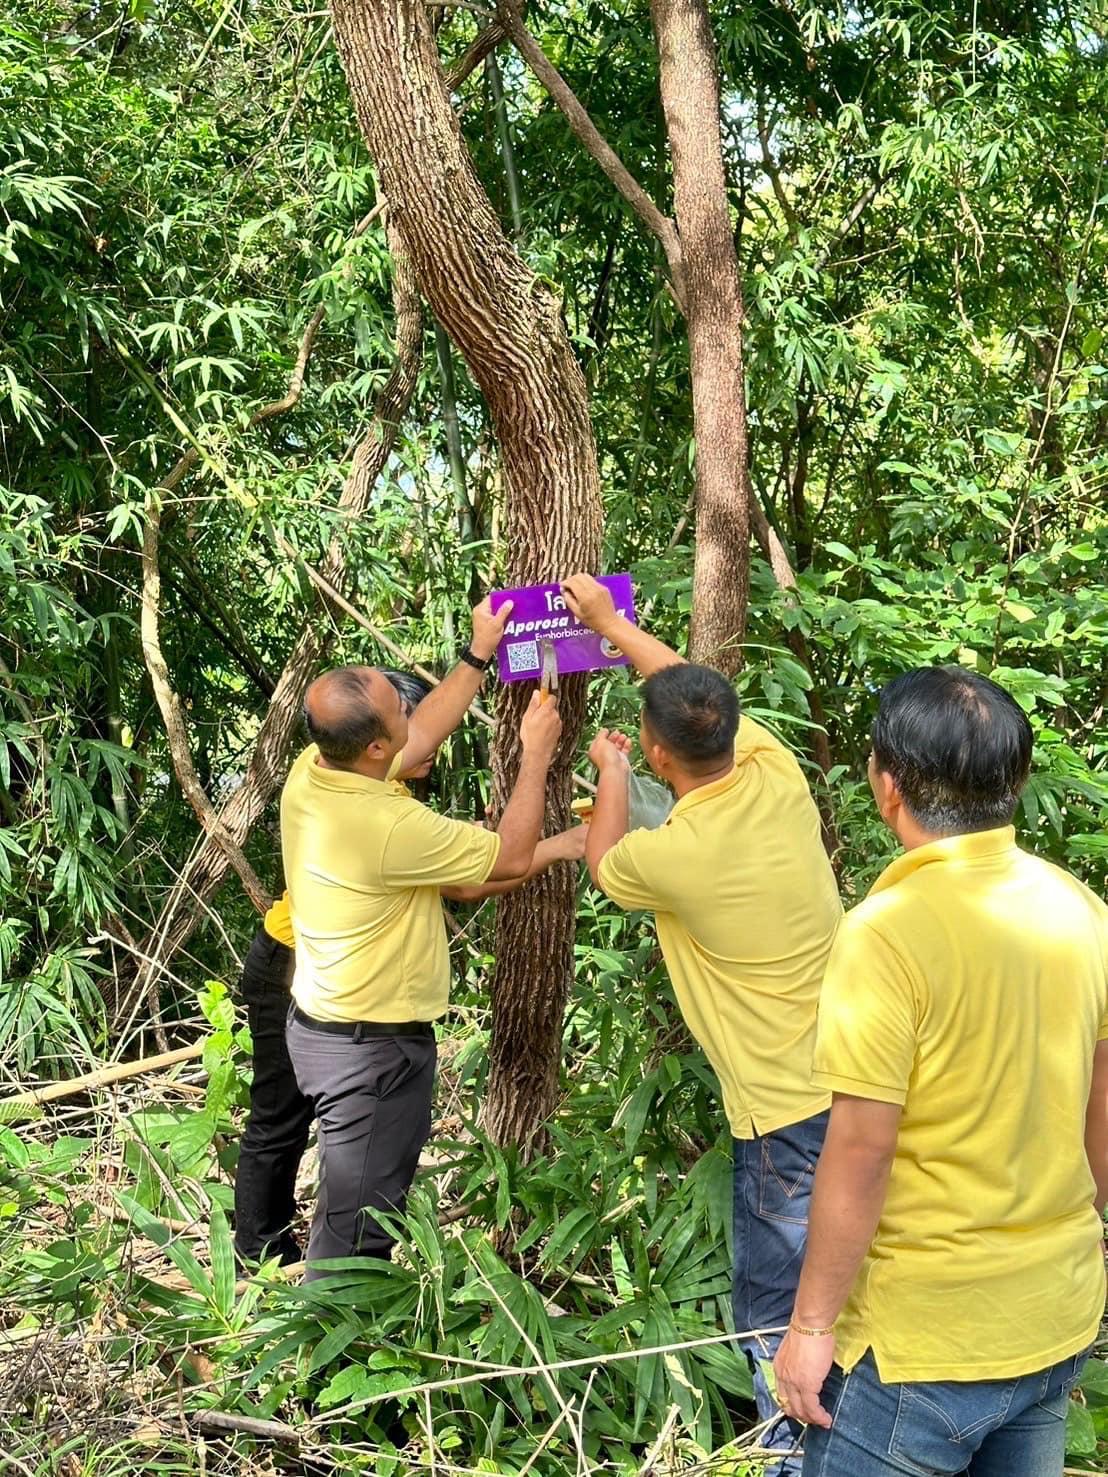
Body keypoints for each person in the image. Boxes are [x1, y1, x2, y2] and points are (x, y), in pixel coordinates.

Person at [772, 666, 1108, 1477]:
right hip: (1052, 1315)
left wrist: (812, 1326)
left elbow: (861, 1149)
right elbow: (1102, 1104)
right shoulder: (1081, 908)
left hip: (919, 1346)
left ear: (886, 785)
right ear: (1018, 780)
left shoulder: (884, 934)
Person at [561, 573, 842, 1475]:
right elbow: (688, 684)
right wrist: (614, 626)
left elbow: (606, 861)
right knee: (856, 1286)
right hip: (862, 1073)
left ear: (653, 753)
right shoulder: (771, 766)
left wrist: (606, 772)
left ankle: (792, 1459)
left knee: (777, 1304)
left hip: (784, 1112)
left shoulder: (677, 854)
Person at [232, 667, 585, 1267]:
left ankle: (287, 1288)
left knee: (346, 1199)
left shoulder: (315, 772)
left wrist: (477, 655)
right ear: (375, 748)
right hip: (369, 1051)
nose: (410, 713)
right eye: (399, 708)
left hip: (325, 1025)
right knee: (356, 1234)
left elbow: (417, 738)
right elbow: (510, 857)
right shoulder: (389, 823)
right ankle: (330, 1349)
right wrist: (534, 757)